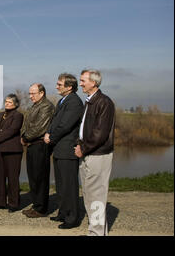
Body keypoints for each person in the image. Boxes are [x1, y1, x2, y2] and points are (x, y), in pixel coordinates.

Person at [75, 69, 115, 236]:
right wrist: (79, 145)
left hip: (97, 155)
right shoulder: (89, 101)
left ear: (94, 82)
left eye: (83, 80)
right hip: (87, 154)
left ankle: (97, 234)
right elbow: (84, 128)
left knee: (96, 196)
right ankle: (96, 231)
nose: (80, 83)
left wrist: (83, 148)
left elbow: (100, 133)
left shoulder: (104, 102)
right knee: (89, 195)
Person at [44, 73, 84, 229]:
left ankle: (72, 218)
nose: (56, 86)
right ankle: (63, 212)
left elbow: (66, 125)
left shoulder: (74, 102)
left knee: (69, 185)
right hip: (59, 148)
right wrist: (48, 132)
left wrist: (51, 137)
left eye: (59, 84)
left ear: (69, 87)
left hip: (67, 149)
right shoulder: (62, 101)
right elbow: (55, 121)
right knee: (61, 185)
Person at [21, 83, 55, 218]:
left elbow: (40, 127)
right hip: (31, 145)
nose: (30, 96)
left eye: (33, 93)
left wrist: (25, 137)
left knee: (40, 177)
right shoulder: (35, 106)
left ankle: (41, 208)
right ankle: (36, 205)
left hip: (40, 145)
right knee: (33, 177)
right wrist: (23, 136)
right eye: (29, 93)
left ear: (42, 93)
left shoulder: (46, 106)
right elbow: (26, 124)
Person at [0, 94, 24, 213]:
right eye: (6, 102)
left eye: (9, 102)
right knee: (0, 176)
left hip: (13, 150)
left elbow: (12, 131)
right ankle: (0, 201)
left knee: (13, 178)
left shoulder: (18, 115)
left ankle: (13, 203)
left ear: (15, 104)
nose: (7, 104)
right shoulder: (0, 115)